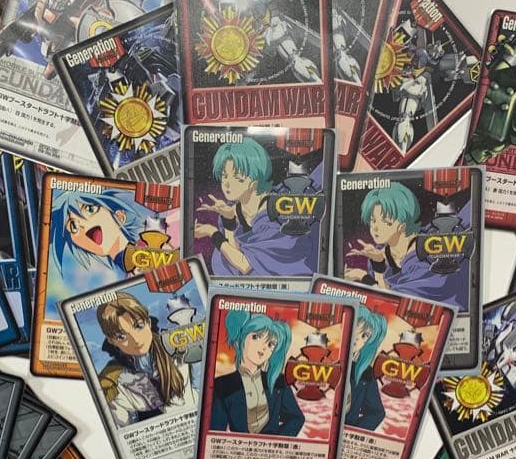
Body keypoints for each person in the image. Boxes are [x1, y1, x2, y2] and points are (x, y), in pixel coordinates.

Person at [195, 137, 316, 278]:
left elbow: (244, 265)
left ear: (255, 181)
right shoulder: (231, 209)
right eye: (224, 176)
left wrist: (212, 232)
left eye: (237, 178)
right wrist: (228, 221)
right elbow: (235, 264)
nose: (227, 184)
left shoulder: (277, 214)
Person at [344, 182, 467, 306]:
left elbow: (394, 305)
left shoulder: (427, 256)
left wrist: (364, 276)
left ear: (402, 225)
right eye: (373, 220)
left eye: (385, 221)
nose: (375, 228)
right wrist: (376, 266)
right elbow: (381, 304)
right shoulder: (378, 254)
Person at [96, 293, 196, 428]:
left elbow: (183, 403)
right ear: (111, 341)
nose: (136, 340)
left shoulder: (173, 350)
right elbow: (123, 424)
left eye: (138, 326)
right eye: (121, 337)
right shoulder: (111, 379)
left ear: (148, 322)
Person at [210, 310, 303, 436]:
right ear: (242, 337)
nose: (263, 347)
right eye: (256, 337)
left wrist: (274, 441)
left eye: (270, 344)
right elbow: (215, 431)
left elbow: (296, 418)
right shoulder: (223, 385)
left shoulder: (278, 382)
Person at [49, 189, 149, 277]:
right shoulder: (129, 274)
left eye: (90, 209)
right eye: (74, 226)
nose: (84, 226)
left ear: (119, 217)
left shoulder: (148, 247)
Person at [345, 306, 388, 431]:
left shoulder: (365, 375)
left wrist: (352, 431)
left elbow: (377, 413)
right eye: (355, 328)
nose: (357, 338)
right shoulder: (330, 363)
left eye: (364, 335)